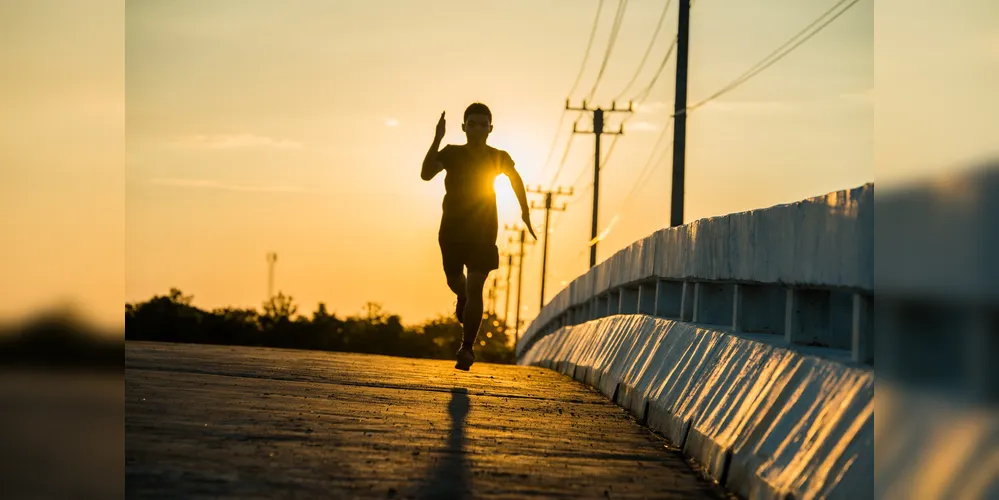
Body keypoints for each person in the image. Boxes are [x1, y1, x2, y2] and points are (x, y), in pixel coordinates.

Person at [421, 103, 536, 370]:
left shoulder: (498, 156)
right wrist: (437, 139)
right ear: (463, 127)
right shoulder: (451, 153)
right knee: (455, 281)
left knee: (475, 288)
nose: (477, 128)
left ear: (490, 128)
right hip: (451, 230)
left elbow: (515, 179)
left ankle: (467, 348)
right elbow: (426, 174)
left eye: (482, 124)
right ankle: (461, 297)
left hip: (483, 231)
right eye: (471, 123)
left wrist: (525, 211)